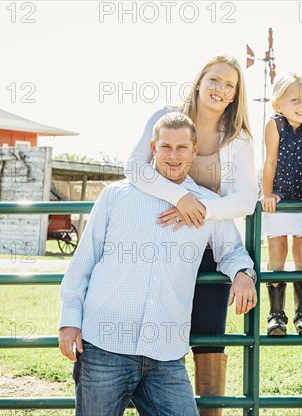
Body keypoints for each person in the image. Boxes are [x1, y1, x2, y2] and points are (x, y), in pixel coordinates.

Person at [59, 112, 258, 416]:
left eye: (182, 148)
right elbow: (84, 259)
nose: (173, 156)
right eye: (166, 147)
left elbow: (231, 251)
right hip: (104, 347)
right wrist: (70, 319)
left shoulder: (206, 205)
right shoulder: (116, 196)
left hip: (165, 355)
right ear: (152, 147)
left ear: (194, 151)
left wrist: (243, 274)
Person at [125, 55, 257, 415]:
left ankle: (209, 410)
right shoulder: (166, 118)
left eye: (229, 85)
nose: (220, 89)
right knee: (154, 324)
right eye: (214, 80)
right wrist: (179, 198)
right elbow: (134, 167)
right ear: (199, 81)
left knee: (210, 334)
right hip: (159, 240)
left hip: (209, 243)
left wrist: (200, 208)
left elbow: (246, 199)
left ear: (235, 94)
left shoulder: (238, 138)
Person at [260, 73, 302, 336]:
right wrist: (267, 193)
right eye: (295, 99)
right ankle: (276, 315)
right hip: (279, 198)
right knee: (277, 253)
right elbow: (270, 162)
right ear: (278, 105)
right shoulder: (274, 125)